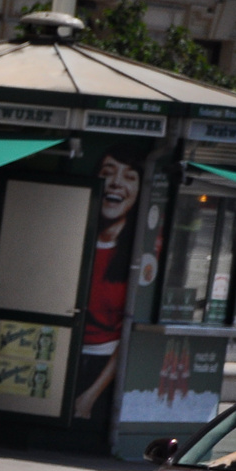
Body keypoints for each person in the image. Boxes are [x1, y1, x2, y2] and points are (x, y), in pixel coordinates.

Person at [73, 145, 143, 420]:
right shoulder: (74, 238)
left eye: (130, 176)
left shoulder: (143, 252)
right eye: (108, 172)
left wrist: (90, 396)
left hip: (102, 369)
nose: (116, 183)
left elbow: (129, 331)